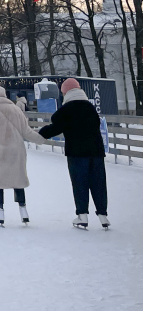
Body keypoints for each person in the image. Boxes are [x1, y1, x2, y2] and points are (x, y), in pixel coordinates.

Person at [38, 78, 110, 230]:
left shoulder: (68, 108)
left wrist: (40, 134)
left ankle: (82, 216)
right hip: (96, 152)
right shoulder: (90, 107)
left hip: (77, 153)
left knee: (80, 183)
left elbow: (56, 125)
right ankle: (103, 215)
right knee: (98, 182)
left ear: (65, 92)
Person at [0, 86, 45, 226]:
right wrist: (41, 139)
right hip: (16, 150)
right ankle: (23, 210)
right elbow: (26, 131)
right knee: (18, 179)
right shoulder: (16, 109)